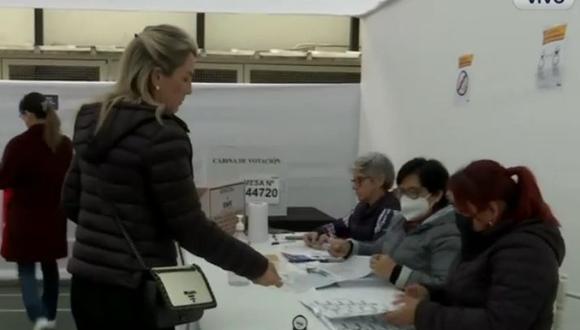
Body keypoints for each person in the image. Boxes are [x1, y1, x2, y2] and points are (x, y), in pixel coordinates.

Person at [61, 25, 282, 330]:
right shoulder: (164, 136)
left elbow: (71, 201)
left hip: (86, 287)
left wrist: (115, 233)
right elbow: (189, 228)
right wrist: (256, 266)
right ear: (156, 77)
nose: (190, 89)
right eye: (186, 77)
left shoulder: (93, 121)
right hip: (134, 294)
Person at [385, 160, 565, 330]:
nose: (459, 217)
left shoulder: (528, 253)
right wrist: (431, 294)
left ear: (492, 210)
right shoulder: (485, 236)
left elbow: (499, 324)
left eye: (463, 210)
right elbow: (470, 292)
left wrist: (422, 314)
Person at [0, 92, 73, 330]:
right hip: (53, 218)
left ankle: (38, 316)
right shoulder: (64, 145)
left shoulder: (18, 145)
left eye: (22, 115)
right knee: (50, 267)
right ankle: (50, 314)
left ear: (29, 114)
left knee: (26, 270)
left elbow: (3, 179)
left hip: (24, 219)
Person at [329, 158, 460, 288]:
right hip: (381, 290)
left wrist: (395, 272)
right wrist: (350, 247)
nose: (405, 199)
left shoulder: (448, 232)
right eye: (402, 192)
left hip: (411, 303)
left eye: (413, 192)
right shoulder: (401, 219)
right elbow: (381, 247)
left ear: (436, 195)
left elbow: (444, 286)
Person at [303, 152, 400, 248]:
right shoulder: (362, 207)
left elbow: (378, 247)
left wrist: (345, 245)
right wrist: (318, 232)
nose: (354, 187)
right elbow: (338, 226)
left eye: (359, 180)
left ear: (379, 180)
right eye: (354, 181)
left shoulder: (390, 211)